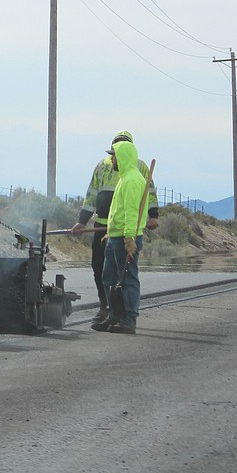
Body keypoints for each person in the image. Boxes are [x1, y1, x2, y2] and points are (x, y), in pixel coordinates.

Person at [70, 130, 158, 323]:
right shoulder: (103, 167)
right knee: (101, 271)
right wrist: (82, 221)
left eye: (116, 153)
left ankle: (125, 316)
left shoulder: (136, 172)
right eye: (112, 153)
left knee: (124, 275)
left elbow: (144, 197)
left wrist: (152, 216)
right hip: (105, 228)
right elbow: (92, 194)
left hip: (123, 231)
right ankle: (108, 308)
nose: (113, 157)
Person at [92, 139, 152, 334]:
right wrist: (111, 232)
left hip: (126, 239)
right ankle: (114, 315)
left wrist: (129, 238)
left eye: (115, 156)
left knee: (127, 279)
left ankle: (129, 319)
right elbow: (118, 211)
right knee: (108, 277)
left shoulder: (133, 180)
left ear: (123, 157)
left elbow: (131, 213)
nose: (112, 160)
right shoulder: (124, 178)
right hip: (115, 237)